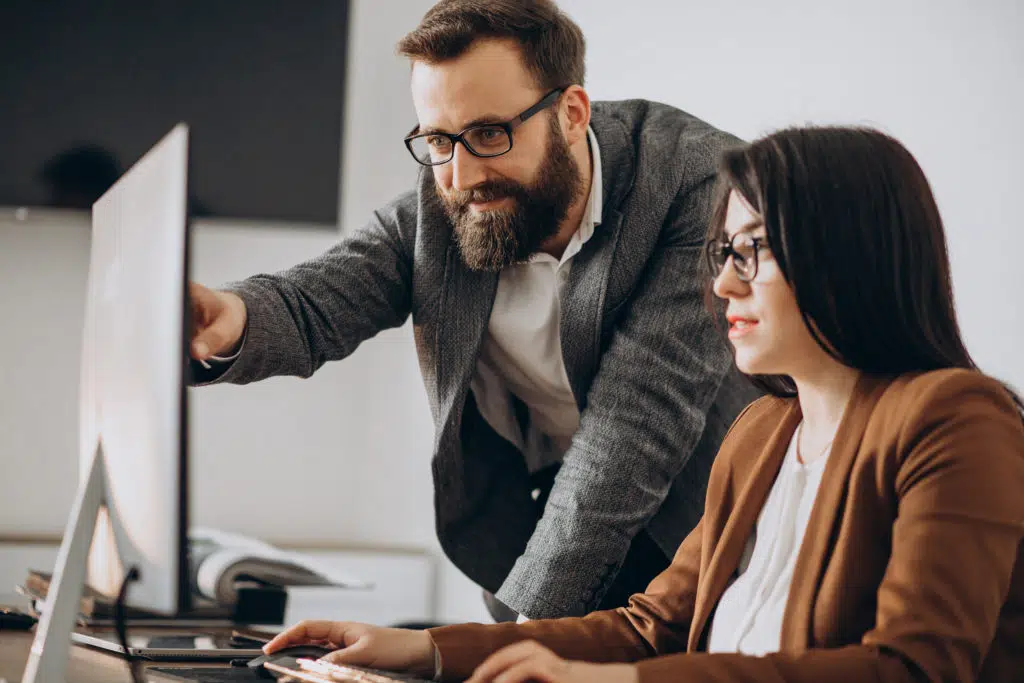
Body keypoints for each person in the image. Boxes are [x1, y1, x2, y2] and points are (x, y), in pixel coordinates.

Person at [261, 126, 1024, 683]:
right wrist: (421, 649)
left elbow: (913, 669)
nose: (724, 284)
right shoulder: (762, 432)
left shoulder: (956, 419)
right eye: (724, 254)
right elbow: (649, 626)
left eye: (752, 250)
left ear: (844, 255)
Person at [188, 0, 757, 621]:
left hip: (704, 526)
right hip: (547, 512)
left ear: (571, 113)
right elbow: (316, 303)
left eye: (490, 134)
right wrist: (227, 316)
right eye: (438, 139)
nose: (460, 175)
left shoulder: (697, 181)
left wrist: (517, 633)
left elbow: (636, 430)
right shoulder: (444, 203)